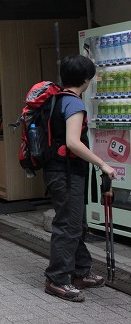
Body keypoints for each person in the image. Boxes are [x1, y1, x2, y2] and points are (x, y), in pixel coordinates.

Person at [43, 54, 116, 302]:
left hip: (59, 170)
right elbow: (73, 142)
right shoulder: (74, 104)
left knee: (76, 224)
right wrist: (103, 164)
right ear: (87, 79)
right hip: (66, 173)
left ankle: (79, 271)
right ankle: (57, 279)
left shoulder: (56, 98)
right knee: (68, 226)